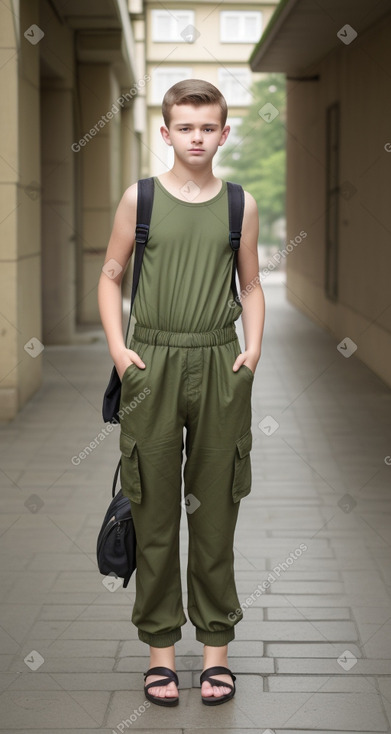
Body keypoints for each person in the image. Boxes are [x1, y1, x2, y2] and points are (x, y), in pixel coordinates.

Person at [98, 79, 265, 707]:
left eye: (208, 127)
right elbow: (110, 276)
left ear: (224, 133)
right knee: (155, 509)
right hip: (152, 361)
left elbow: (249, 285)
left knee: (217, 509)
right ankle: (161, 654)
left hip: (221, 361)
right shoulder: (138, 199)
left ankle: (216, 652)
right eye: (185, 127)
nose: (197, 137)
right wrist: (120, 351)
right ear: (166, 133)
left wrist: (253, 347)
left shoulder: (238, 206)